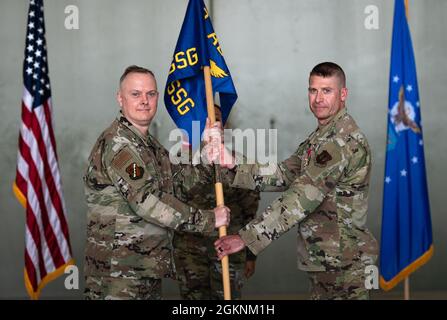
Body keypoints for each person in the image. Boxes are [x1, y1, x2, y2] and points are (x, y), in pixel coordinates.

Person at [210, 62, 378, 300]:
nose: (318, 98)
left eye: (327, 90)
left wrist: (246, 238)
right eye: (313, 90)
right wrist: (233, 163)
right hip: (326, 259)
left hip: (343, 264)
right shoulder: (320, 137)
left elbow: (301, 197)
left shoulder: (341, 141)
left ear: (343, 94)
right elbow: (284, 174)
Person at [83, 65, 230, 300]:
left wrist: (206, 153)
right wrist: (209, 219)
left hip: (143, 268)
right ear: (120, 98)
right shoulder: (120, 145)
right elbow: (147, 200)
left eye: (150, 94)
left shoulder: (147, 144)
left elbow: (178, 183)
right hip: (118, 274)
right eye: (135, 94)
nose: (144, 101)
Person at [173, 106, 260, 300]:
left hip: (228, 250)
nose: (211, 124)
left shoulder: (236, 162)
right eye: (205, 119)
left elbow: (250, 210)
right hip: (190, 251)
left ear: (224, 126)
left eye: (217, 119)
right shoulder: (181, 162)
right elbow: (172, 202)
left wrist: (251, 254)